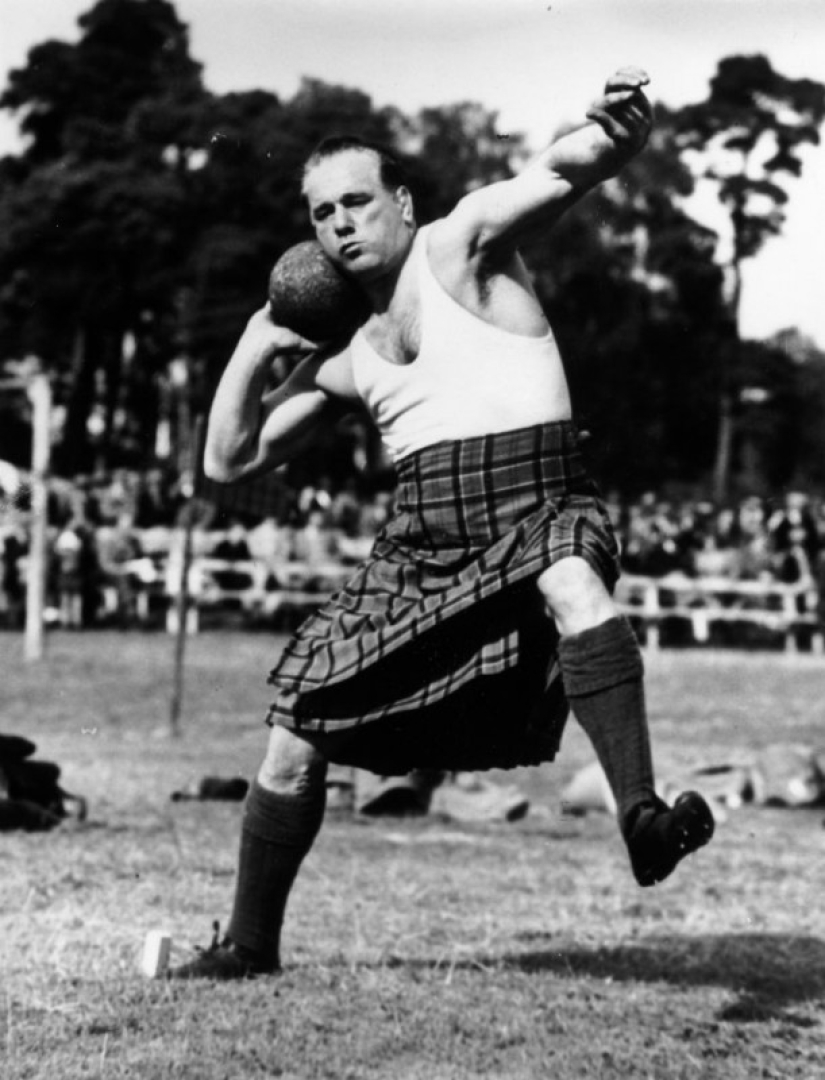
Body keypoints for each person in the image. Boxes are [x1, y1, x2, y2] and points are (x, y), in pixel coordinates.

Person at [171, 67, 714, 980]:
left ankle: (641, 818)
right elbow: (227, 461)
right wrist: (259, 337)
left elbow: (558, 172)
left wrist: (618, 137)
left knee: (572, 580)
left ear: (403, 202)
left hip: (537, 499)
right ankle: (248, 945)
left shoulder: (460, 246)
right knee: (293, 730)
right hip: (423, 543)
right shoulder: (347, 356)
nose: (340, 224)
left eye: (356, 202)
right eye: (320, 214)